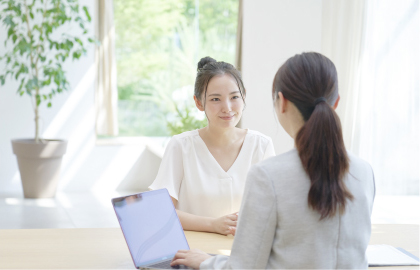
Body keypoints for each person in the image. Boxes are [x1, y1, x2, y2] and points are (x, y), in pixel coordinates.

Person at [170, 52, 376, 269]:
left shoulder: (268, 174)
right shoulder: (365, 172)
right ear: (336, 103)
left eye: (234, 97)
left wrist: (207, 262)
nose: (227, 107)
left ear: (282, 102)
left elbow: (245, 267)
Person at [149, 57, 276, 236]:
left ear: (244, 95)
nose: (227, 108)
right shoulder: (181, 146)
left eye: (234, 97)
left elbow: (272, 210)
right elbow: (160, 212)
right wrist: (213, 224)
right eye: (216, 99)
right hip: (192, 254)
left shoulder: (261, 145)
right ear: (199, 102)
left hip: (242, 253)